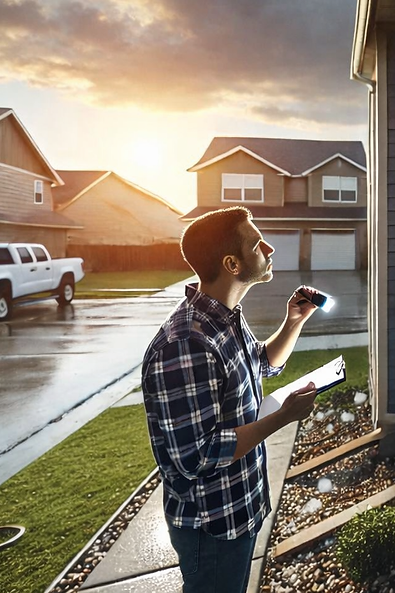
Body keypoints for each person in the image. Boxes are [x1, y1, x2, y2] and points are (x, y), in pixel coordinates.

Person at [141, 206, 320, 593]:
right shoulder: (186, 343)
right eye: (257, 244)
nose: (269, 248)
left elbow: (261, 364)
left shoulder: (224, 317)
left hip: (239, 508)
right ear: (232, 264)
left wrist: (293, 322)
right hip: (212, 526)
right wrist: (283, 417)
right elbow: (197, 456)